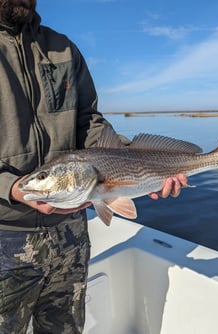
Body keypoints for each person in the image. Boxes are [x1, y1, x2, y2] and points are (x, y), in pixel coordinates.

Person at [0, 1, 187, 333]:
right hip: (6, 238)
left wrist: (139, 166)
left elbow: (90, 122)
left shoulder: (62, 49)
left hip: (71, 233)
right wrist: (12, 188)